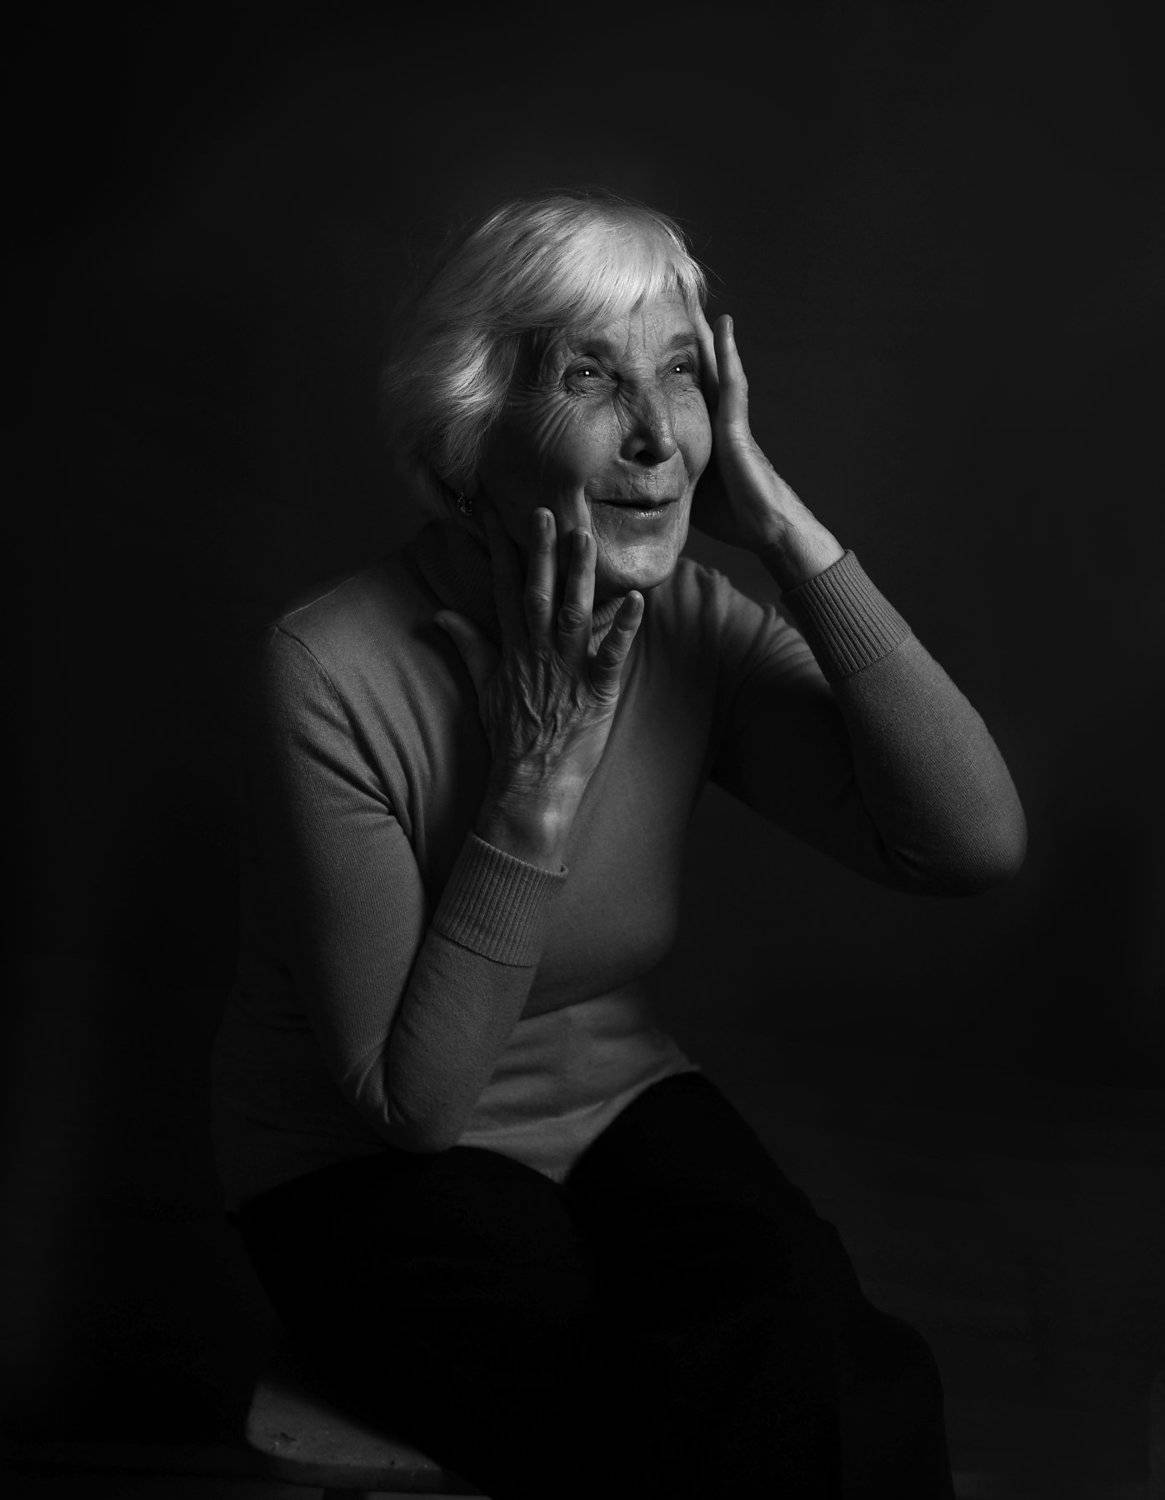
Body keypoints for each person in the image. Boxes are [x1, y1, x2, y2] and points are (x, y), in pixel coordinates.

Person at [210, 189, 1026, 1498]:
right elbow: (413, 1108)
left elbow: (970, 844)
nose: (656, 437)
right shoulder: (328, 666)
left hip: (613, 1104)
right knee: (644, 1408)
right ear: (474, 425)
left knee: (836, 1363)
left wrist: (784, 534)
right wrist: (536, 779)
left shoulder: (688, 618)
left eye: (682, 376)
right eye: (591, 378)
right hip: (357, 1169)